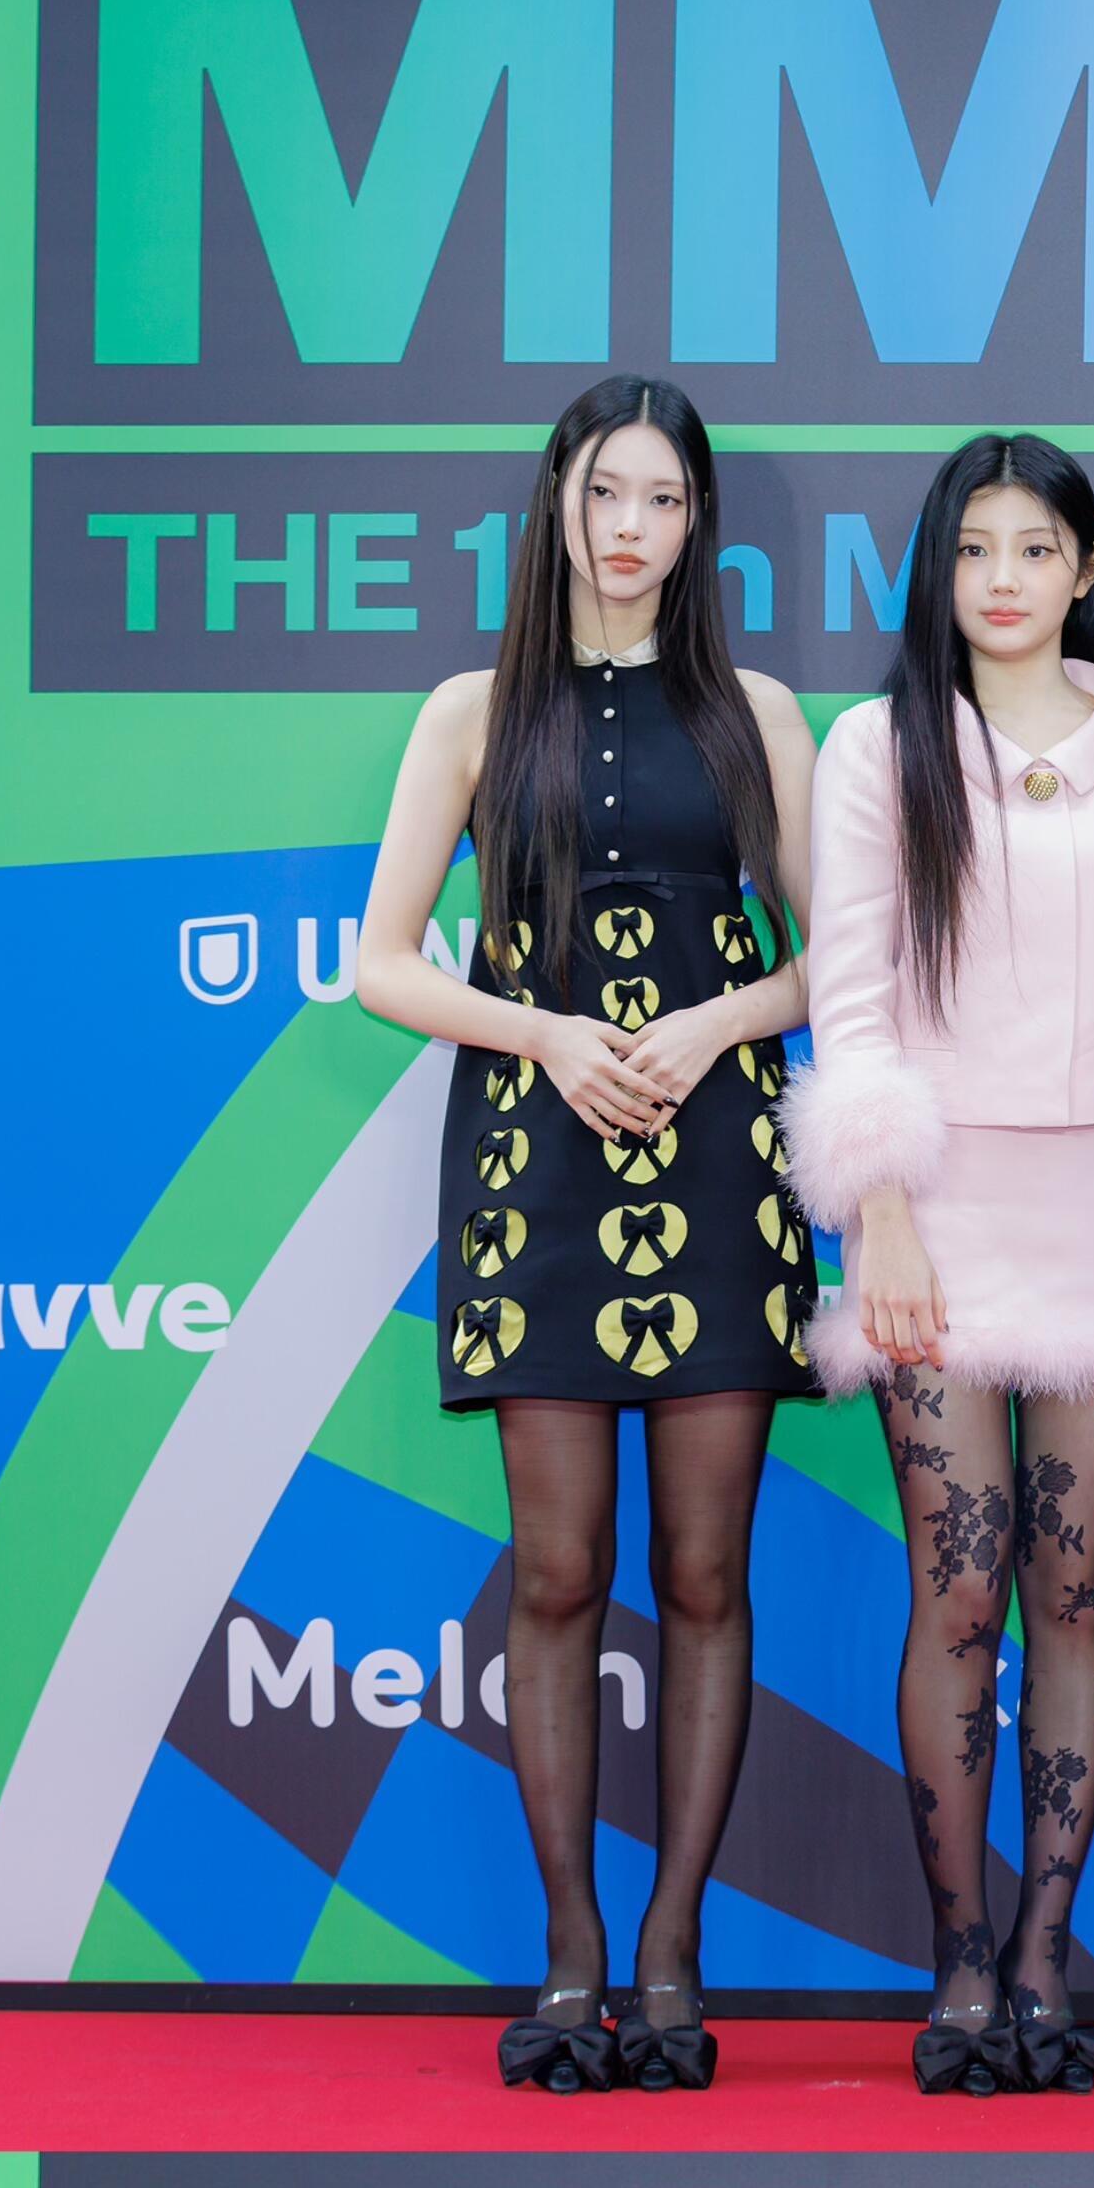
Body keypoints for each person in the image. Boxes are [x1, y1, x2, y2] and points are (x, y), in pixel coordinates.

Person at [357, 374, 817, 2093]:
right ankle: (569, 1961)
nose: (631, 529)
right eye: (606, 493)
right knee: (557, 1575)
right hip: (534, 1161)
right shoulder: (471, 711)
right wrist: (544, 1034)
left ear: (700, 526)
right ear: (555, 501)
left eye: (664, 501)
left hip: (719, 1160)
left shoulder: (756, 711)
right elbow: (382, 961)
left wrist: (712, 1027)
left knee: (705, 1575)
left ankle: (673, 1959)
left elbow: (838, 959)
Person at [787, 436, 1094, 2097]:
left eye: (1035, 547)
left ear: (1085, 569)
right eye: (973, 546)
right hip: (938, 1208)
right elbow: (849, 996)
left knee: (1074, 1594)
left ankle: (1049, 1968)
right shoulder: (875, 746)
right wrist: (880, 1208)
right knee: (961, 1588)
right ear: (939, 566)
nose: (1001, 577)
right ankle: (962, 1967)